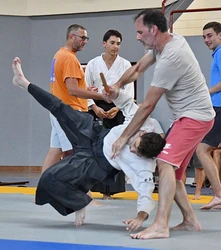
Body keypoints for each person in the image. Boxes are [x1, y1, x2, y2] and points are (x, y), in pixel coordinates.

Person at [12, 57, 166, 231]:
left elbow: (146, 194)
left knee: (50, 179)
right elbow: (125, 102)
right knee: (60, 108)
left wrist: (140, 218)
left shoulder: (145, 165)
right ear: (143, 133)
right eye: (134, 144)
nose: (130, 149)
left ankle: (79, 202)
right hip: (94, 134)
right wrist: (113, 93)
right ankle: (23, 82)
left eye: (135, 152)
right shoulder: (142, 122)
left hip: (95, 163)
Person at [105, 9, 215, 239]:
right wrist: (116, 85)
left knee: (164, 162)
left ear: (153, 30)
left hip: (195, 116)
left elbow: (147, 106)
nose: (137, 36)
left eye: (140, 32)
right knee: (172, 173)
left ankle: (161, 225)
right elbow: (137, 69)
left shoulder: (171, 57)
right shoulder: (162, 44)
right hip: (188, 116)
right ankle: (189, 220)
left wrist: (123, 137)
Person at [42, 24, 103, 173]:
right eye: (82, 38)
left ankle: (41, 194)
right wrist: (100, 96)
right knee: (77, 154)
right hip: (68, 112)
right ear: (71, 37)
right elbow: (72, 89)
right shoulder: (69, 59)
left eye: (86, 38)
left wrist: (85, 89)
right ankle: (83, 195)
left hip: (59, 111)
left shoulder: (59, 55)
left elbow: (67, 86)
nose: (85, 41)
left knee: (55, 152)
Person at [85, 29, 135, 199]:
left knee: (116, 147)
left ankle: (112, 189)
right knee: (97, 147)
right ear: (104, 44)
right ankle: (94, 187)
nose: (116, 47)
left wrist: (118, 108)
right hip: (97, 107)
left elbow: (129, 91)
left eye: (118, 43)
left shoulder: (125, 65)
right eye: (112, 43)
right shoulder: (93, 64)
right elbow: (86, 89)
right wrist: (93, 107)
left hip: (117, 107)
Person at [196, 21, 221, 210]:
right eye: (204, 37)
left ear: (220, 36)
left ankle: (218, 194)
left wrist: (207, 92)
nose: (206, 40)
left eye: (210, 36)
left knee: (201, 149)